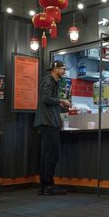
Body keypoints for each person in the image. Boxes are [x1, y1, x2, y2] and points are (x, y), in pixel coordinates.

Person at [34, 60, 71, 196]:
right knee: (52, 155)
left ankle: (44, 186)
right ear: (55, 69)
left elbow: (48, 101)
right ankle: (48, 186)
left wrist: (58, 104)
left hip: (49, 122)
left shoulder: (52, 81)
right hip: (48, 123)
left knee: (48, 155)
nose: (64, 71)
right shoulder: (48, 80)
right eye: (62, 69)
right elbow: (45, 98)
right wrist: (62, 100)